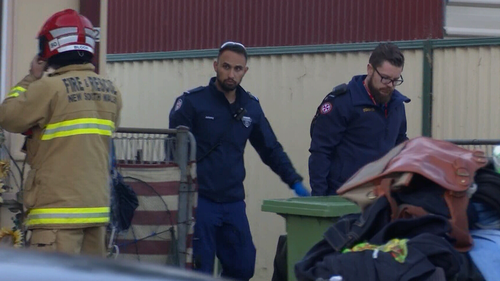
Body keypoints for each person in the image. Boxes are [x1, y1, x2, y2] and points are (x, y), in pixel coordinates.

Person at [169, 41, 310, 280]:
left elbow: (270, 149)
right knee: (198, 270)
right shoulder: (192, 103)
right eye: (226, 67)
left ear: (245, 71)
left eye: (237, 69)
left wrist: (294, 182)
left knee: (243, 266)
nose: (231, 74)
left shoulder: (250, 107)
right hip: (199, 201)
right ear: (215, 66)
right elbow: (172, 152)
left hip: (233, 202)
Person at [0, 9, 122, 256]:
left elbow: (8, 116)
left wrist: (31, 77)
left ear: (51, 46)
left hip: (56, 215)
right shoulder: (112, 91)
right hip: (96, 214)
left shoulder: (48, 87)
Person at [309, 42, 410, 196]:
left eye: (395, 80)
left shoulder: (396, 105)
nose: (390, 85)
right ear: (370, 69)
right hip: (344, 196)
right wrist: (320, 200)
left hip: (380, 196)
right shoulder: (343, 102)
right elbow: (320, 152)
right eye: (385, 78)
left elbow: (400, 144)